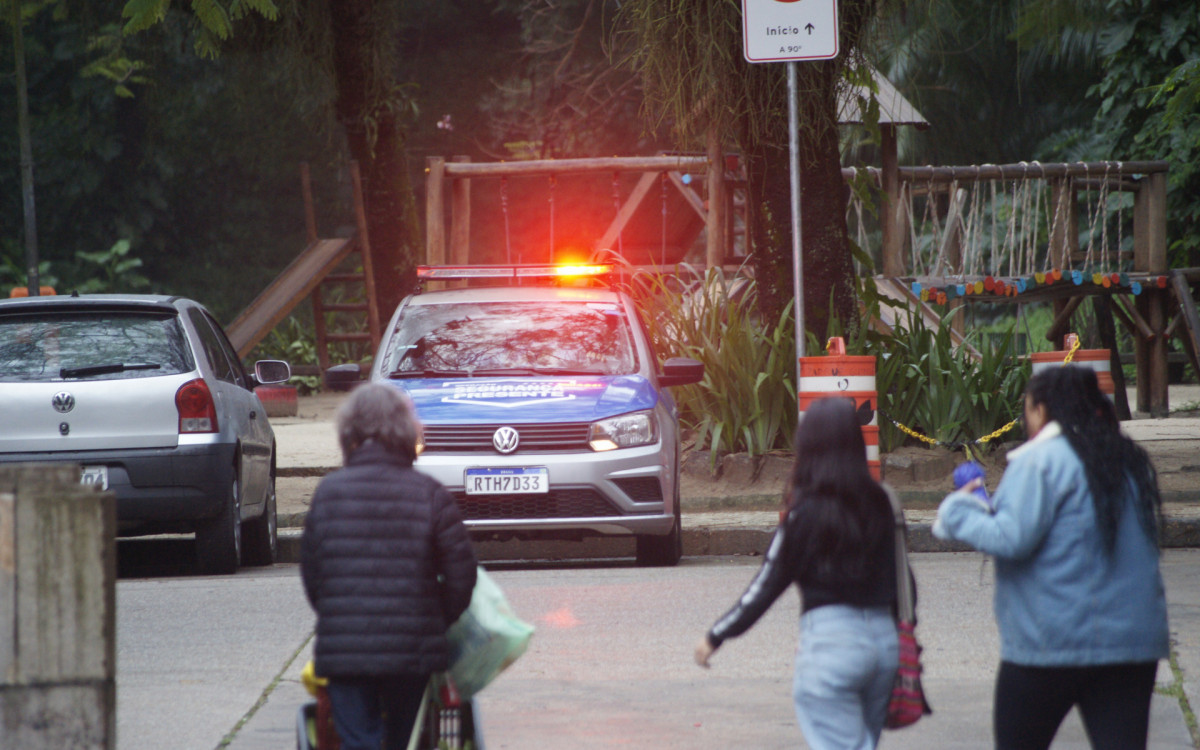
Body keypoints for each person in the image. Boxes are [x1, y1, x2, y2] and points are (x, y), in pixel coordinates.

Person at [933, 364, 1168, 750]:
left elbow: (1010, 537)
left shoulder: (1041, 460)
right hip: (1132, 645)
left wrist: (959, 510)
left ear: (1041, 410)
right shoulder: (1129, 460)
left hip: (1050, 646)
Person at [694, 397, 902, 750]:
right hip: (885, 643)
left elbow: (767, 584)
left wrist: (716, 635)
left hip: (832, 645)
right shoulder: (883, 501)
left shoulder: (804, 513)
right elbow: (902, 579)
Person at [301, 383, 477, 750]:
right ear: (406, 429)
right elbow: (462, 575)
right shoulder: (431, 493)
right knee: (405, 740)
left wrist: (340, 614)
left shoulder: (328, 493)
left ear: (349, 431)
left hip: (345, 652)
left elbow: (313, 575)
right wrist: (434, 618)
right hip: (412, 652)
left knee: (359, 741)